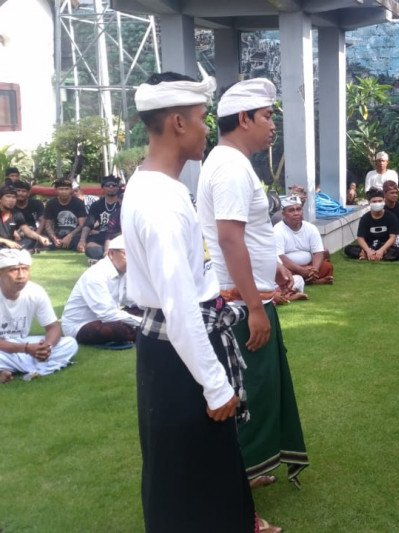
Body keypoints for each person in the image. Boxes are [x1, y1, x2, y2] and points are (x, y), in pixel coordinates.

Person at [122, 71, 258, 532]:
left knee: (192, 476)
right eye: (202, 118)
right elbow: (180, 310)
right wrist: (216, 386)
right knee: (191, 485)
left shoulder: (159, 186)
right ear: (178, 122)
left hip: (177, 351)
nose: (207, 129)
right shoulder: (160, 202)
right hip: (181, 358)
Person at [197, 78, 309, 501]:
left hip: (252, 294)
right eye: (266, 116)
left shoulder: (235, 163)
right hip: (241, 304)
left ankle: (244, 474)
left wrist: (277, 265)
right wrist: (255, 306)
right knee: (245, 397)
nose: (272, 125)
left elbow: (253, 233)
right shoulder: (228, 166)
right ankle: (233, 494)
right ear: (243, 119)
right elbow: (228, 239)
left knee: (258, 395)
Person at [0, 248, 78, 384]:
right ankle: (38, 367)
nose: (21, 275)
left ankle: (24, 369)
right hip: (8, 348)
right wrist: (26, 348)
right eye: (14, 270)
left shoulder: (35, 291)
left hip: (21, 344)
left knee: (70, 343)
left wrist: (46, 347)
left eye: (25, 269)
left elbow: (53, 327)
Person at [61, 235, 141, 346]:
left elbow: (133, 300)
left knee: (146, 312)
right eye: (127, 254)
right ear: (111, 254)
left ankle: (141, 331)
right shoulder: (96, 275)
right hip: (81, 325)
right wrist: (143, 322)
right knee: (119, 330)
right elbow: (108, 314)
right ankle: (143, 332)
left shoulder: (125, 273)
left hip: (109, 318)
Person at [274, 196, 334, 284]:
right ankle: (314, 281)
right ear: (283, 214)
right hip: (289, 268)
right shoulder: (277, 230)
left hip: (309, 266)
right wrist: (301, 270)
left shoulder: (311, 228)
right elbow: (280, 257)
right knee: (281, 273)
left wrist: (315, 269)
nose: (296, 213)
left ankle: (310, 279)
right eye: (291, 210)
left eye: (298, 209)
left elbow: (318, 252)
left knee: (327, 267)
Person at [344, 188, 399, 261]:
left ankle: (373, 255)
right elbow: (360, 238)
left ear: (384, 201)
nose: (377, 203)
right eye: (374, 201)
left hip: (385, 246)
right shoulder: (365, 218)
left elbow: (392, 237)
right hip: (369, 245)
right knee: (348, 249)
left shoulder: (391, 217)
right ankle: (373, 255)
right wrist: (368, 251)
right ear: (369, 202)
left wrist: (382, 250)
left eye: (380, 201)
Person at [78, 175, 122, 260]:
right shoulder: (96, 205)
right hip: (102, 235)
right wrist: (82, 240)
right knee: (90, 246)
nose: (111, 187)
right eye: (108, 185)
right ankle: (110, 255)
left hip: (118, 236)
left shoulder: (122, 204)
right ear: (103, 188)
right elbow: (88, 224)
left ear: (118, 188)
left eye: (114, 185)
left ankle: (109, 255)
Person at [0, 185, 49, 251]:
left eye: (14, 197)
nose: (11, 200)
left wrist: (40, 237)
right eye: (8, 196)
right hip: (5, 243)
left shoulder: (16, 214)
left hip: (8, 245)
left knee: (33, 240)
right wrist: (6, 241)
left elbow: (27, 231)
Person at [43, 178, 86, 251]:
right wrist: (54, 238)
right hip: (57, 234)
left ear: (71, 190)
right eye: (61, 189)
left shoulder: (79, 203)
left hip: (74, 234)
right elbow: (48, 225)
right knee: (44, 241)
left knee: (80, 245)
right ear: (56, 190)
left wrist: (70, 236)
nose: (64, 191)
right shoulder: (51, 203)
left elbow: (82, 224)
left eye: (66, 189)